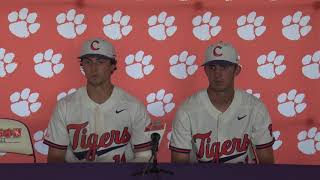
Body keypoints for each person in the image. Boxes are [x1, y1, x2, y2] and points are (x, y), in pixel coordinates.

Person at [44, 38, 152, 162]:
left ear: (112, 66)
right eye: (88, 62)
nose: (93, 68)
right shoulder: (65, 106)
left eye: (100, 62)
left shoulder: (133, 106)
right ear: (82, 66)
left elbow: (145, 157)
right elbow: (55, 158)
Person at [169, 41, 275, 164]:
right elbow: (179, 167)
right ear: (205, 71)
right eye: (212, 67)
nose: (217, 74)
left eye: (224, 67)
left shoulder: (256, 108)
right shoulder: (186, 110)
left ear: (237, 70)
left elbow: (267, 164)